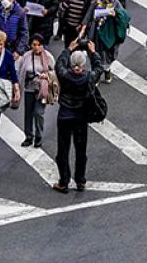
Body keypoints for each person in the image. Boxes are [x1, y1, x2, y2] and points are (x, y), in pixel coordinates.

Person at [52, 38, 103, 193]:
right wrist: (93, 52)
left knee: (63, 151)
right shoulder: (88, 77)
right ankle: (80, 180)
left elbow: (58, 64)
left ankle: (64, 182)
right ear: (83, 64)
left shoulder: (65, 75)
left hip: (65, 116)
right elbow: (99, 68)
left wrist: (68, 49)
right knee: (81, 151)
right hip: (81, 117)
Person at [16, 35, 55, 147]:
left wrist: (46, 75)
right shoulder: (27, 56)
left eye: (39, 45)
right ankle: (28, 136)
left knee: (38, 113)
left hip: (42, 89)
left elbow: (54, 73)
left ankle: (38, 136)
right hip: (29, 88)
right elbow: (21, 71)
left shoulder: (48, 57)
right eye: (34, 45)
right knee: (28, 114)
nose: (37, 47)